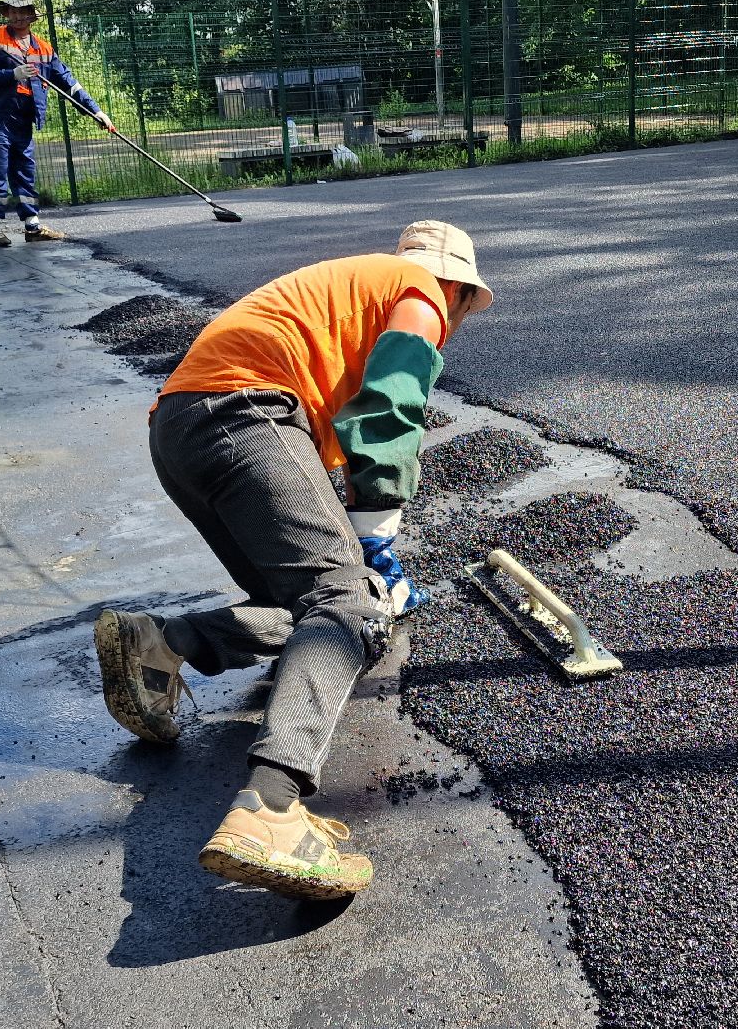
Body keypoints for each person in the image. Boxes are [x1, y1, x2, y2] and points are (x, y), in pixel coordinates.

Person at [93, 220, 492, 900]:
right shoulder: (421, 292)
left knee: (310, 612)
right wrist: (376, 548)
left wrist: (355, 561)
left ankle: (165, 642)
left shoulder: (345, 298)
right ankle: (272, 808)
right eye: (460, 310)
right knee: (348, 607)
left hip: (181, 428)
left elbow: (322, 478)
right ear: (457, 287)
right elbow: (392, 409)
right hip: (246, 409)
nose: (450, 323)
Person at [0, 0, 114, 247]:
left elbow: (69, 83)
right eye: (12, 11)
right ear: (7, 13)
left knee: (25, 171)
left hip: (24, 120)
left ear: (31, 15)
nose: (16, 15)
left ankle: (32, 227)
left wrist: (97, 112)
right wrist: (11, 74)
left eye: (22, 11)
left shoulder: (43, 48)